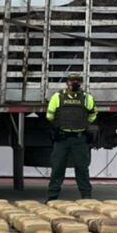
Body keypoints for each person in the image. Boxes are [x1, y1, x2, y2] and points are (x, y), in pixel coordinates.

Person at [46, 72, 98, 201]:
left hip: (79, 138)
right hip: (63, 138)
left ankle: (86, 197)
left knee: (82, 169)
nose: (74, 83)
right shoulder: (58, 97)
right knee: (57, 168)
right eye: (72, 81)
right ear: (66, 82)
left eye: (77, 81)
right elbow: (50, 116)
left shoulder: (87, 98)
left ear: (80, 83)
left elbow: (93, 114)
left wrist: (83, 124)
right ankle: (52, 197)